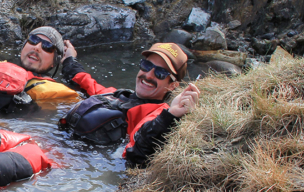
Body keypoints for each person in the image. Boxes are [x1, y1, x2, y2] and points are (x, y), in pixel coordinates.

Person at [59, 42, 200, 166]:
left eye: (160, 73)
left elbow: (140, 147)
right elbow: (82, 80)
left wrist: (170, 115)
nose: (149, 75)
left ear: (172, 85)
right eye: (147, 65)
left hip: (75, 163)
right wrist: (70, 59)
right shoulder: (114, 94)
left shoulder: (156, 114)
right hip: (60, 143)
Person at [0, 26, 80, 113]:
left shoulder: (54, 91)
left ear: (54, 63)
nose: (37, 47)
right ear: (23, 47)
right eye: (33, 40)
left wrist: (69, 62)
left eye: (47, 46)